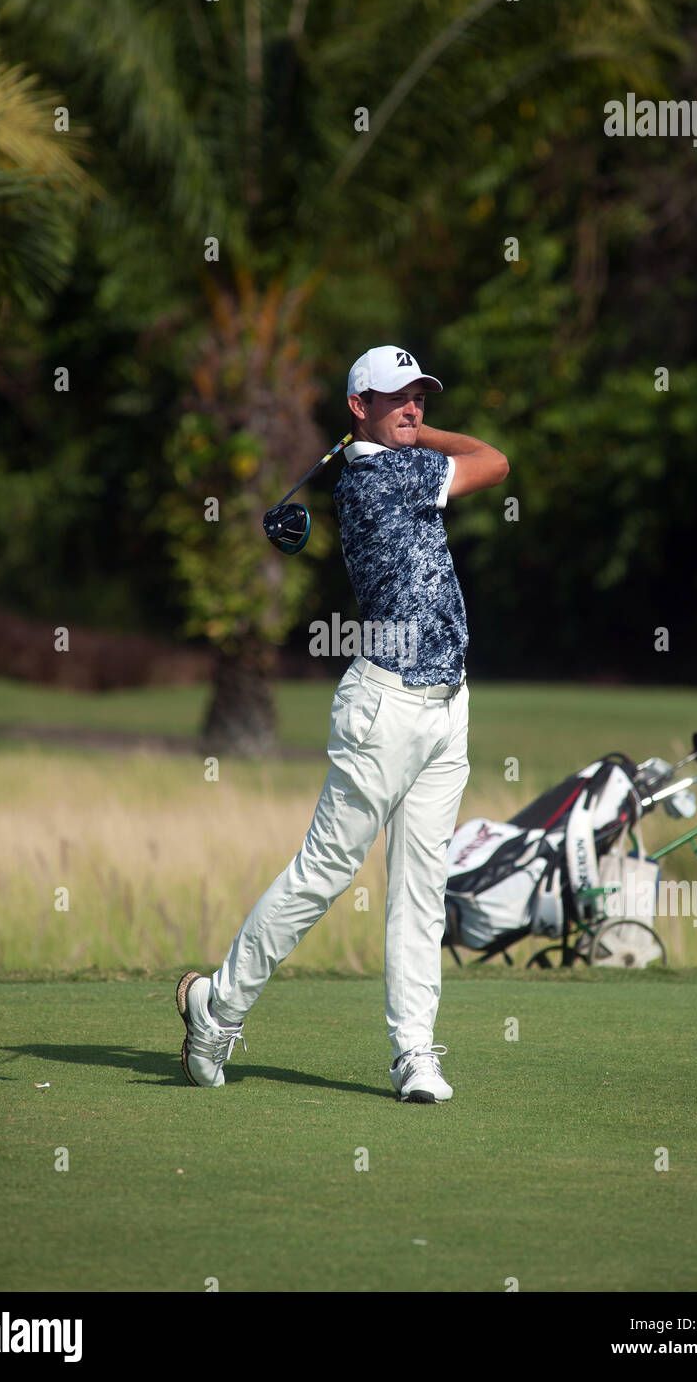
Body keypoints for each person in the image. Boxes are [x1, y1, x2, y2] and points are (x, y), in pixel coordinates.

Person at [177, 345, 509, 1101]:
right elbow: (494, 461)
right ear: (357, 406)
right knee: (324, 874)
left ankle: (415, 1054)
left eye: (420, 397)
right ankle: (216, 1007)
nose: (414, 409)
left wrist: (413, 432)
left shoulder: (391, 462)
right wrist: (419, 438)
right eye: (398, 399)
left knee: (423, 888)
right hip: (384, 707)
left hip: (445, 706)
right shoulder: (375, 474)